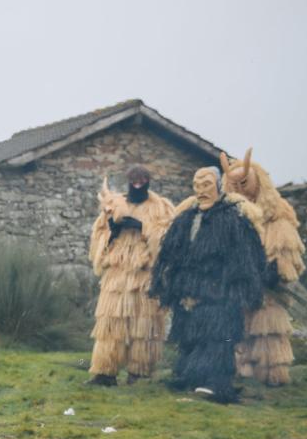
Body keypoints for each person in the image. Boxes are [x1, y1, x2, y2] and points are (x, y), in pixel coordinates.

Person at [149, 167, 268, 403]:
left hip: (218, 295)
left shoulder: (233, 219)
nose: (200, 190)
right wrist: (177, 289)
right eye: (196, 185)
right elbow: (173, 256)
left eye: (206, 184)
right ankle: (190, 378)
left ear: (219, 186)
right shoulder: (185, 219)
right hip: (188, 293)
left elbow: (244, 261)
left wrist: (219, 290)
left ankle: (215, 384)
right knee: (190, 337)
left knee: (216, 338)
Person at [220, 149, 306, 386]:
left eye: (244, 182)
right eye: (233, 184)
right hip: (238, 282)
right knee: (240, 324)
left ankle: (272, 374)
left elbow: (286, 248)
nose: (239, 188)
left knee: (269, 327)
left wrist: (276, 271)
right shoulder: (231, 216)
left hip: (267, 284)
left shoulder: (277, 215)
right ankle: (242, 371)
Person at [87, 166, 175, 385]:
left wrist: (142, 226)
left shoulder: (160, 208)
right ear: (128, 180)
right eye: (134, 179)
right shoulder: (115, 205)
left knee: (144, 327)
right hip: (116, 275)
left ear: (148, 181)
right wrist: (114, 230)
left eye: (143, 179)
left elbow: (167, 238)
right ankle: (105, 373)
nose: (138, 182)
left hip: (144, 275)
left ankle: (140, 374)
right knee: (110, 325)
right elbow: (99, 236)